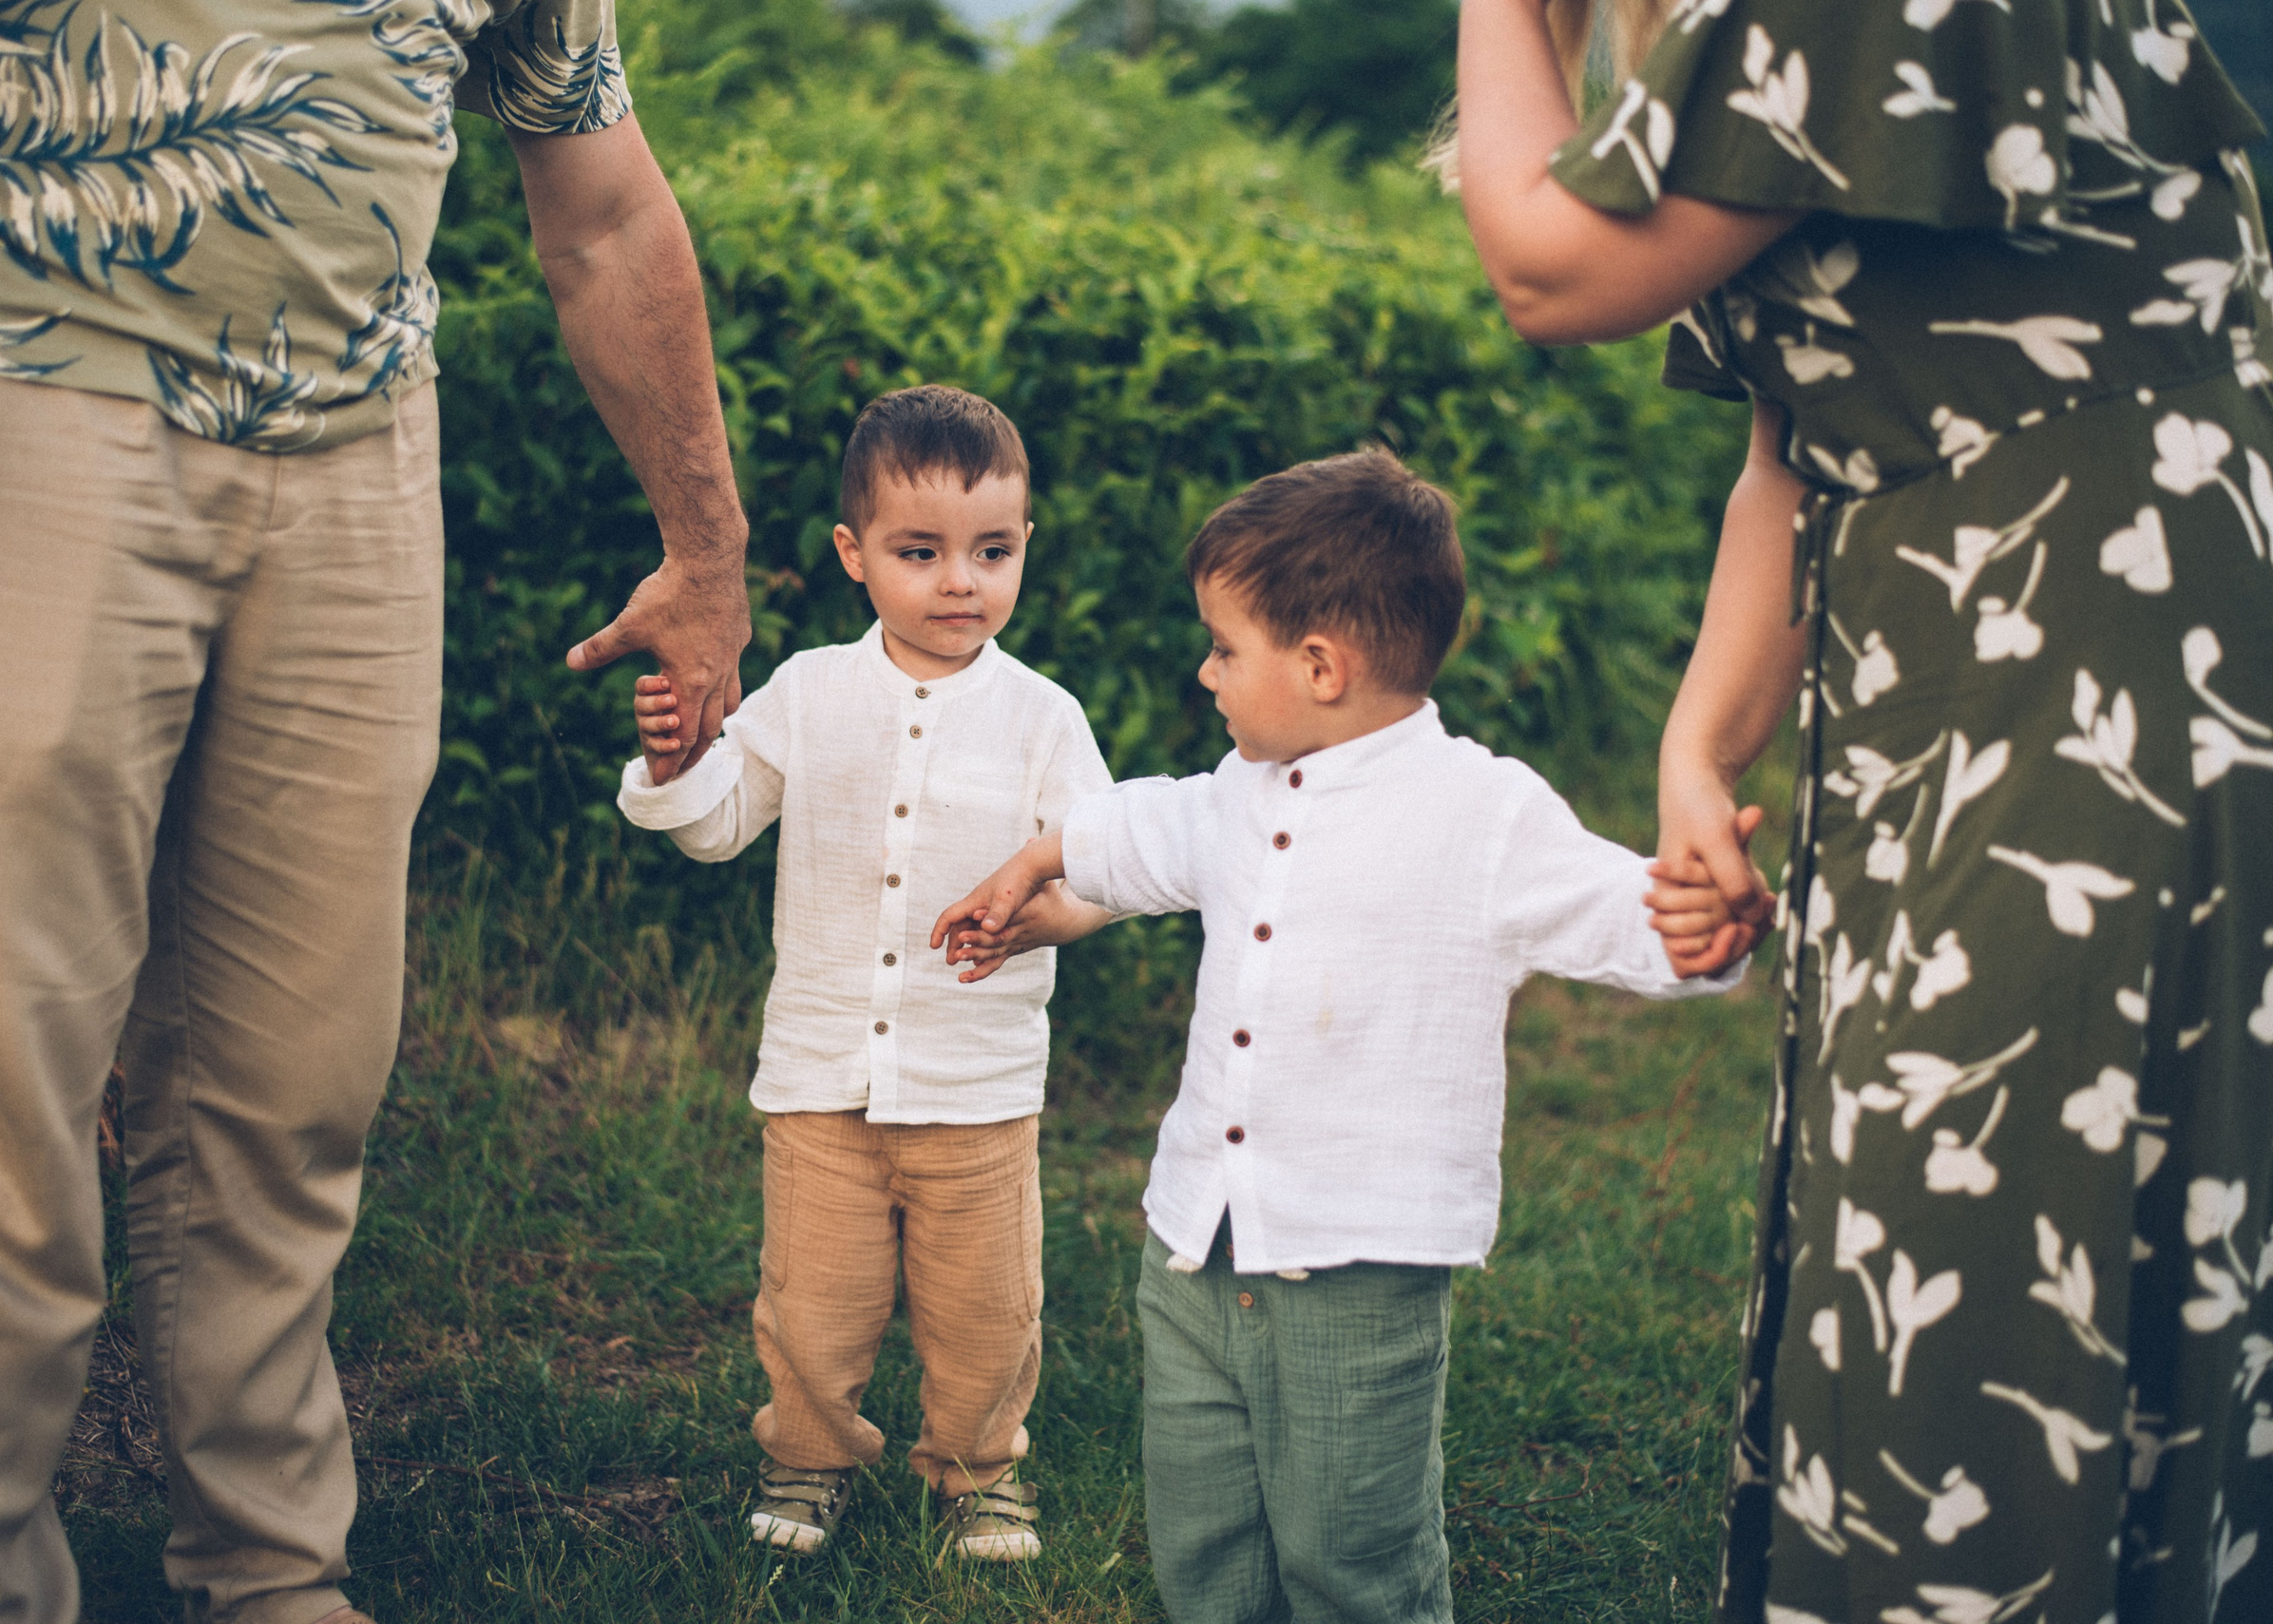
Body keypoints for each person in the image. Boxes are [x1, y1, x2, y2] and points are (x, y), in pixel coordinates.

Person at [0, 1, 750, 1619]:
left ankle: (271, 1571)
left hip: (358, 451)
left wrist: (706, 548)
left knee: (296, 1073)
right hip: (21, 392)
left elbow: (603, 203)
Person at [1444, 0, 2273, 1619]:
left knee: (1999, 1235)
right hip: (1962, 670)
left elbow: (1550, 271)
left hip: (2107, 659)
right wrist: (1703, 748)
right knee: (1925, 1224)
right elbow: (1801, 438)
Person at [931, 448, 1747, 1624]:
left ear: (1319, 665)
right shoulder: (1241, 785)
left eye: (1222, 646)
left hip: (1358, 1268)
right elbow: (1136, 828)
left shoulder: (1481, 811)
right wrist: (1031, 873)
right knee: (1206, 1548)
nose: (1203, 669)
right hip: (1197, 1249)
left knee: (1351, 1560)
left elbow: (1625, 917)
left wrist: (1702, 926)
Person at [619, 386, 1112, 1559]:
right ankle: (808, 1455)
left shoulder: (1042, 717)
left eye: (992, 552)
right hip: (819, 1075)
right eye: (920, 552)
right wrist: (677, 756)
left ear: (1024, 546)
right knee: (811, 1305)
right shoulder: (810, 690)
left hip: (977, 1085)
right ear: (854, 553)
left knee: (985, 1310)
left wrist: (1044, 919)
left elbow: (1101, 867)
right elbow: (720, 824)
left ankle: (978, 1470)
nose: (960, 581)